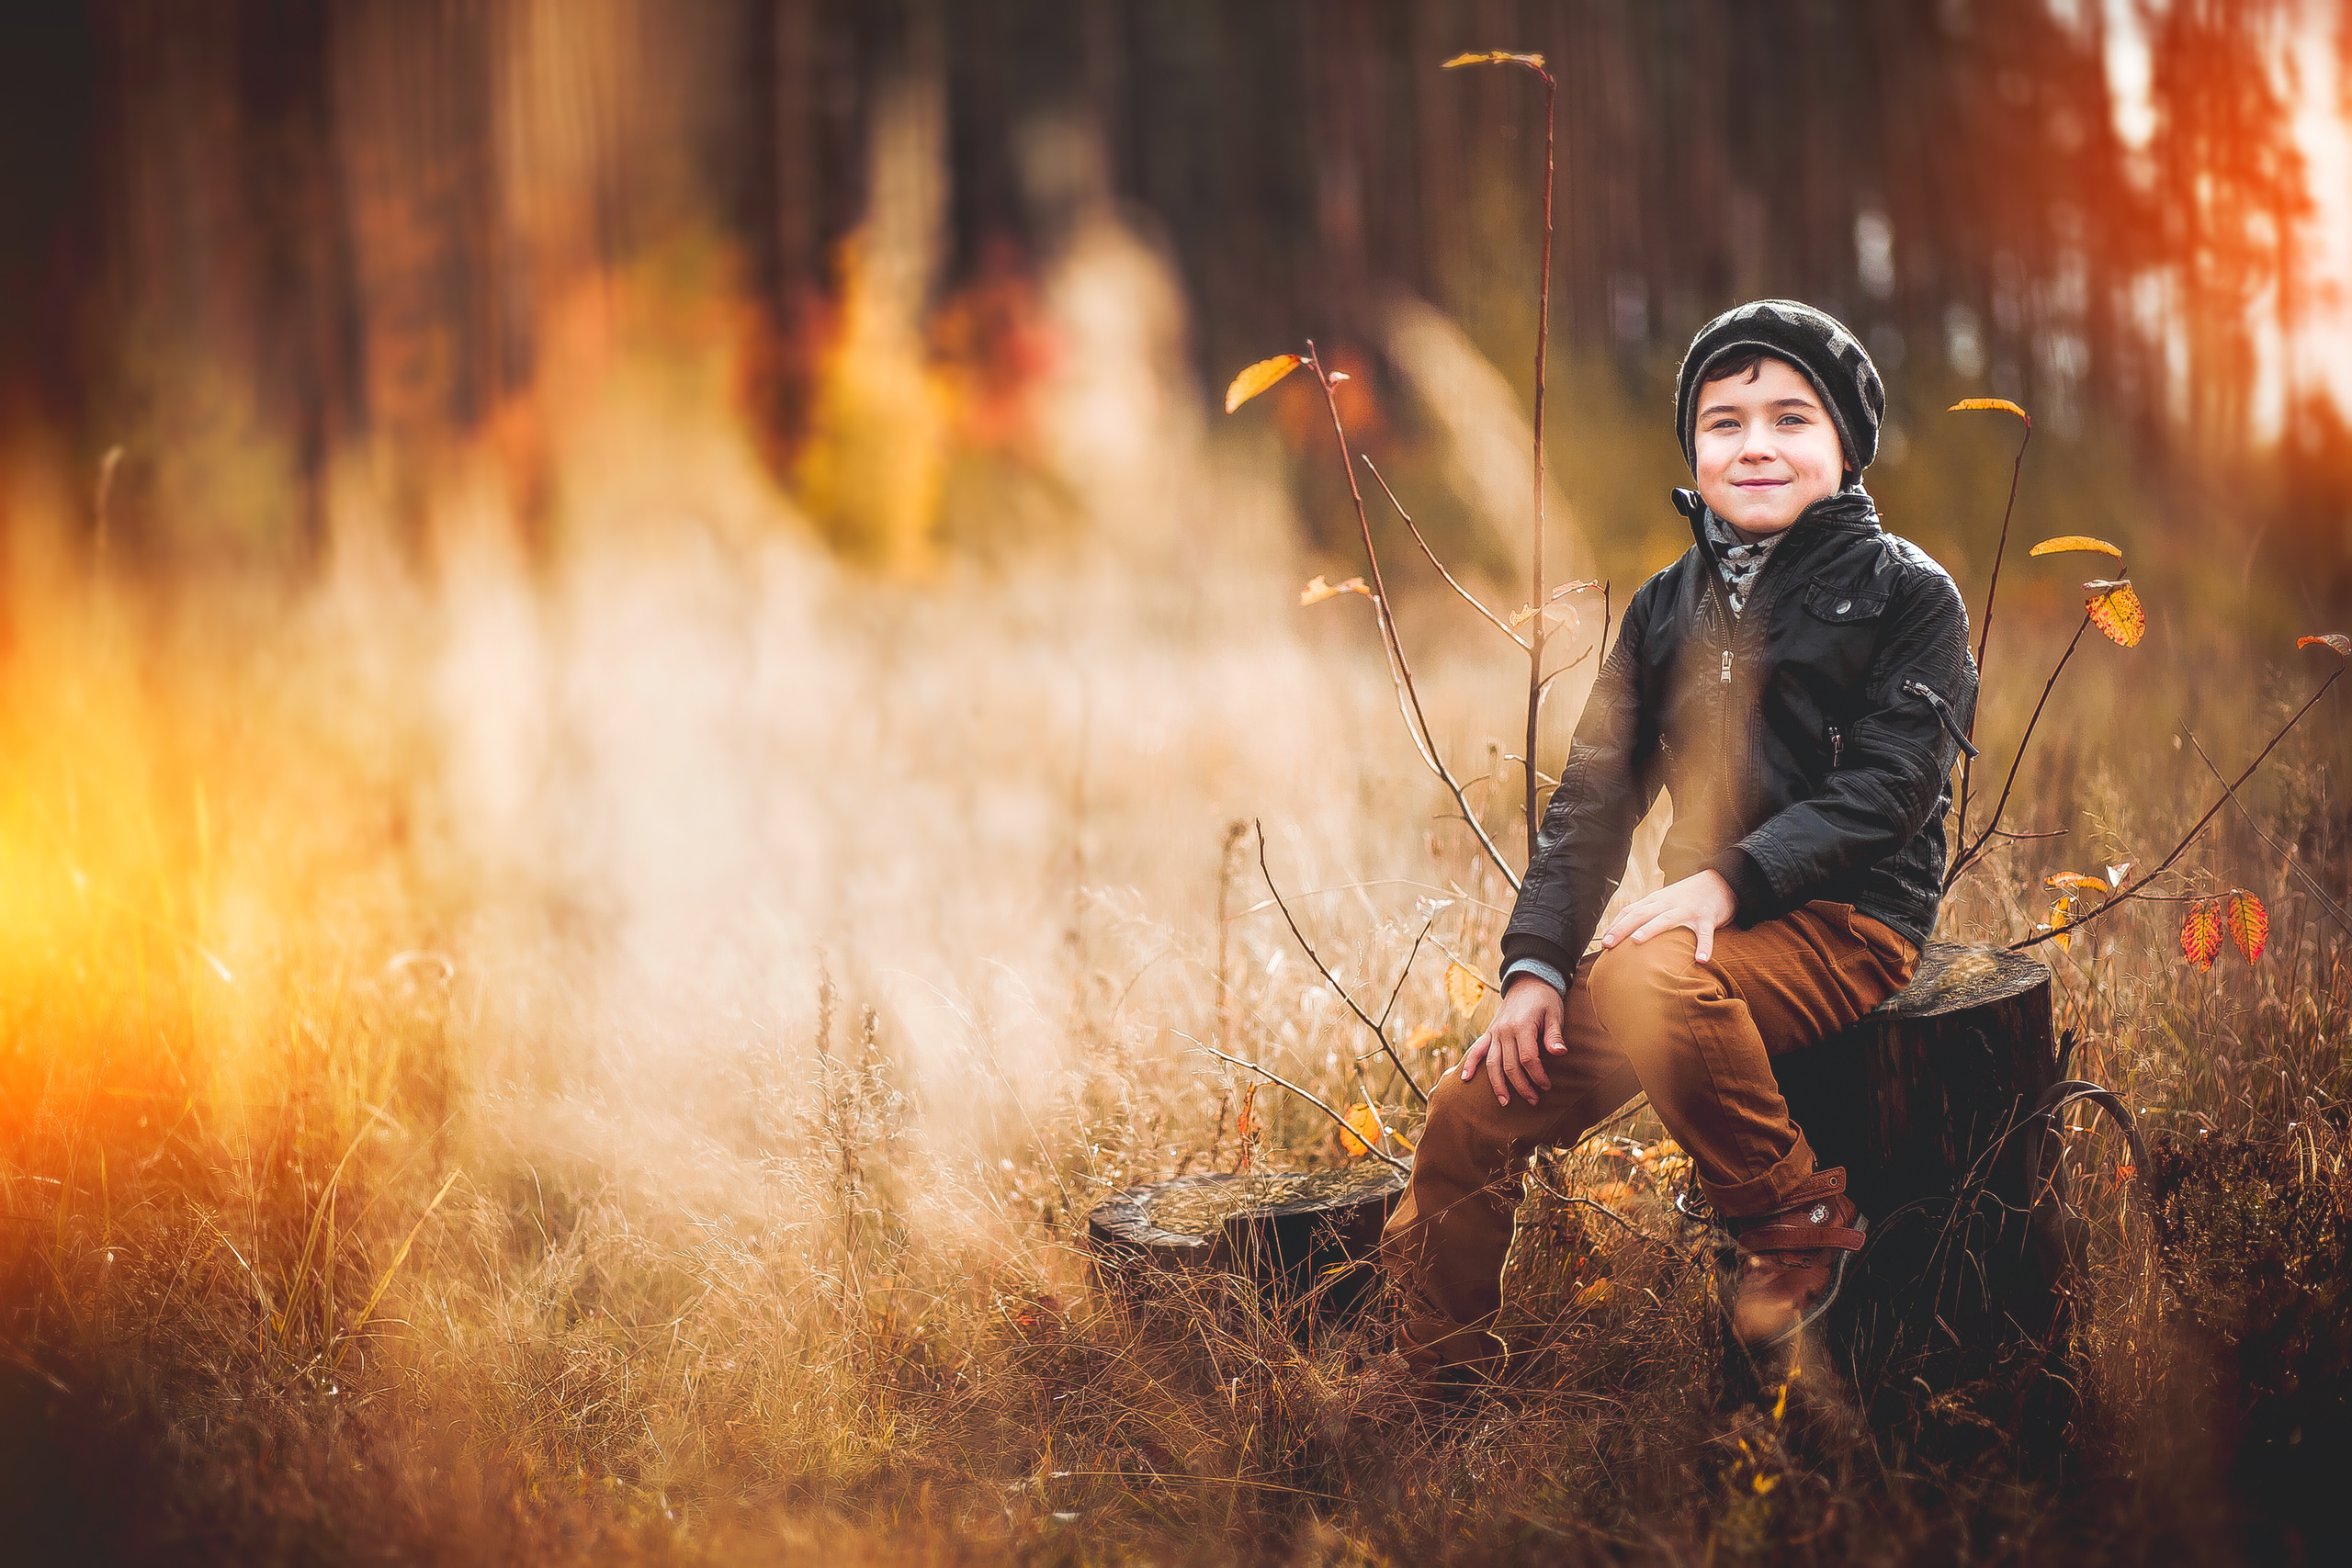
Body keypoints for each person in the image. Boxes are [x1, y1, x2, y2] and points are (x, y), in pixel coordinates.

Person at [1379, 299, 1980, 1383]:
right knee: (1473, 1109)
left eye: (1792, 419)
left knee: (1653, 968)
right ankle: (1429, 1375)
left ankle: (1793, 1219)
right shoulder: (1665, 606)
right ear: (1693, 449)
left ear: (1846, 447)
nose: (1755, 444)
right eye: (1724, 421)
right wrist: (1534, 970)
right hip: (1685, 950)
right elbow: (1591, 804)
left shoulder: (1906, 593)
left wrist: (1727, 880)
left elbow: (1892, 787)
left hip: (1844, 922)